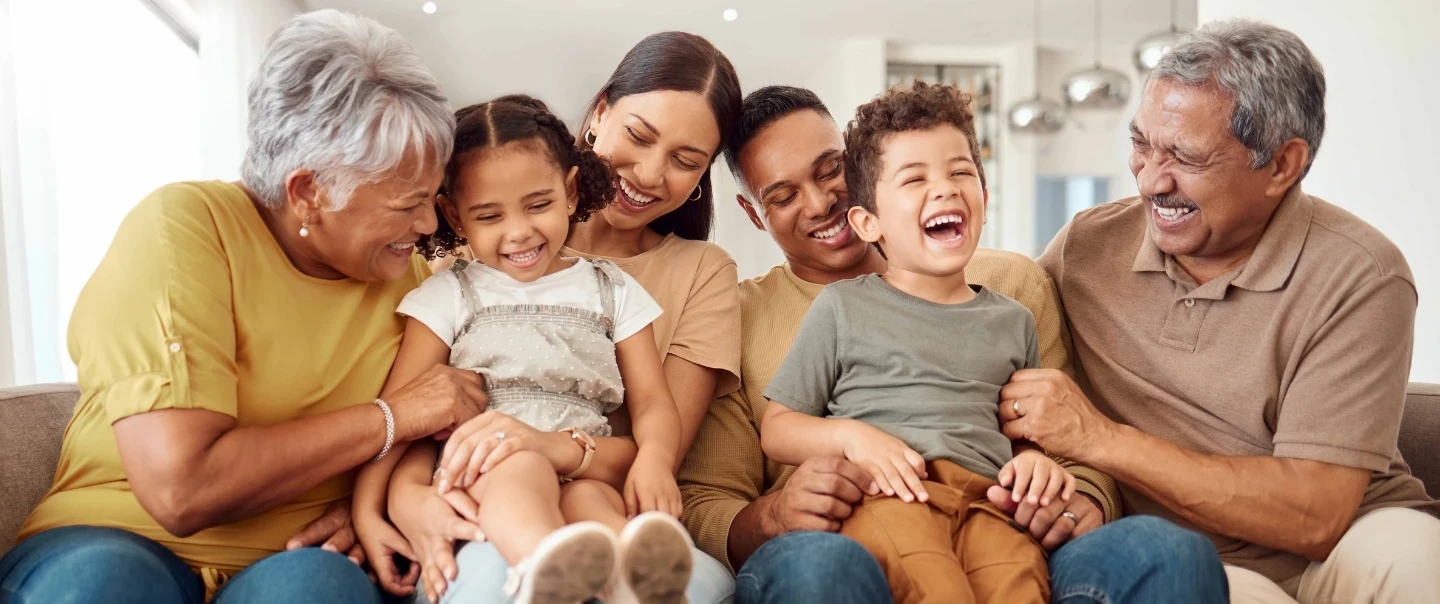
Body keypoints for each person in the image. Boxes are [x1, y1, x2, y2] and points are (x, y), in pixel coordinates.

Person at [678, 84, 1228, 604]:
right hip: (859, 524)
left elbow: (1061, 440)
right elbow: (708, 494)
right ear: (754, 214)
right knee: (824, 567)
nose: (821, 202)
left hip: (990, 512)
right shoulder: (747, 315)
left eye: (832, 171)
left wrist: (1069, 495)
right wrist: (777, 514)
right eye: (783, 195)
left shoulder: (1011, 295)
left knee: (1170, 554)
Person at [0, 10, 479, 603]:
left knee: (318, 593)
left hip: (298, 558)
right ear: (309, 193)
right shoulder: (184, 231)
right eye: (406, 204)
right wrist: (391, 417)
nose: (428, 224)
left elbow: (443, 427)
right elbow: (182, 490)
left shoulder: (409, 276)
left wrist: (367, 505)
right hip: (117, 536)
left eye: (431, 199)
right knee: (104, 587)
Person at [997, 19, 1440, 604]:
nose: (1151, 178)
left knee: (1412, 559)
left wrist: (1099, 439)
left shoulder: (1361, 273)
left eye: (1186, 156)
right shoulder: (1086, 247)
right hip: (1194, 559)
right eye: (1141, 143)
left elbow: (1316, 516)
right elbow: (979, 317)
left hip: (1344, 544)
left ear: (1282, 164)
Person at [385, 31, 744, 603]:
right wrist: (397, 500)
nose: (651, 174)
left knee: (594, 508)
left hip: (591, 478)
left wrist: (563, 448)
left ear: (570, 191)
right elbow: (404, 412)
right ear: (600, 114)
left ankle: (633, 584)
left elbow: (655, 421)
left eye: (684, 160)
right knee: (519, 477)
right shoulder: (464, 271)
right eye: (640, 136)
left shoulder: (641, 283)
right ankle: (540, 568)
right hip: (488, 477)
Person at [759, 81, 1069, 604]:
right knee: (937, 592)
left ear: (985, 201)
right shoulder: (842, 308)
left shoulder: (1014, 321)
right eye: (914, 178)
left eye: (961, 172)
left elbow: (1022, 436)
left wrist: (1037, 463)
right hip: (890, 499)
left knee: (1019, 588)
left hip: (990, 504)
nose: (945, 189)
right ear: (867, 221)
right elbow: (778, 429)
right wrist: (853, 438)